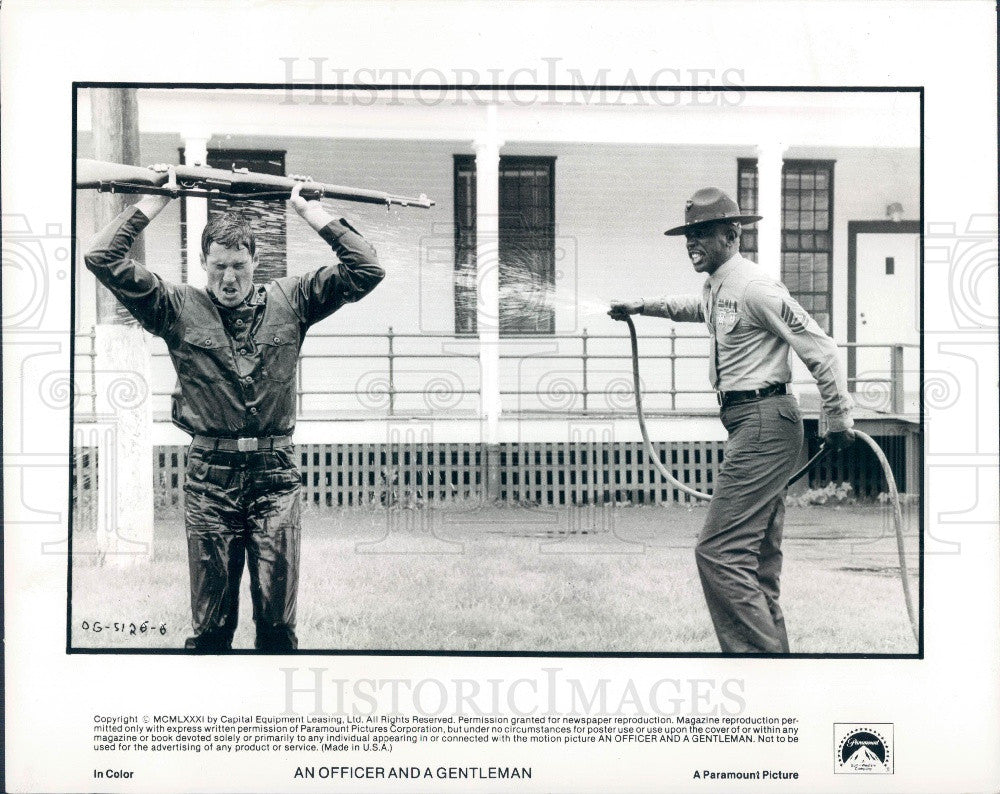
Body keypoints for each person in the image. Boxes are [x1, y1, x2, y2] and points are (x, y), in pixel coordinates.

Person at [85, 165, 384, 652]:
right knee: (210, 630)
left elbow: (367, 269)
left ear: (255, 260)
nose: (228, 278)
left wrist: (310, 211)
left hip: (275, 480)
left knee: (278, 629)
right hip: (210, 483)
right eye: (218, 266)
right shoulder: (174, 307)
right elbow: (101, 255)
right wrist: (153, 201)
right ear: (203, 262)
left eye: (239, 267)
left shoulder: (295, 299)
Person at [609, 187, 855, 654]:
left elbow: (819, 347)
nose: (691, 242)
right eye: (688, 234)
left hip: (766, 422)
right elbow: (692, 308)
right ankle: (777, 671)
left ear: (731, 233)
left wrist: (837, 415)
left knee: (719, 553)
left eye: (701, 232)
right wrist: (640, 306)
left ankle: (757, 667)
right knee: (756, 560)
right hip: (749, 422)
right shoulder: (718, 284)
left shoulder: (756, 286)